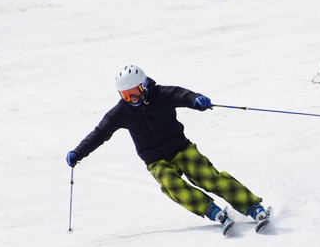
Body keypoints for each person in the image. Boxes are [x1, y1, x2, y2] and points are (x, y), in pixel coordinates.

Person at [66, 65, 269, 234]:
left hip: (180, 148)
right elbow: (100, 133)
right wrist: (78, 152)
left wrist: (196, 100)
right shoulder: (121, 112)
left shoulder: (161, 94)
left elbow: (183, 95)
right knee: (170, 183)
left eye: (134, 92)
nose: (132, 98)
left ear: (144, 86)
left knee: (207, 176)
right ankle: (212, 210)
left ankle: (252, 206)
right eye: (126, 95)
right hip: (155, 160)